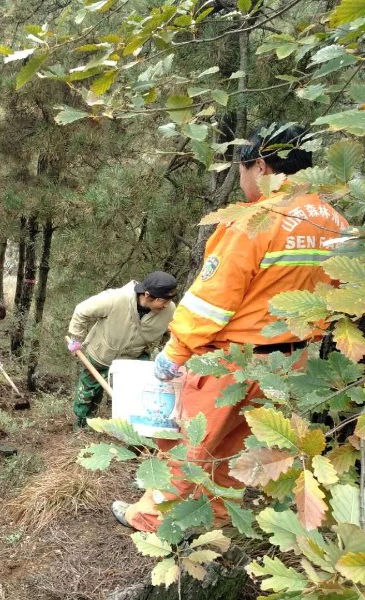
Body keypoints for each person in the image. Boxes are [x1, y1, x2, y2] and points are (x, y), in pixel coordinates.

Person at [114, 123, 350, 532]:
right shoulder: (336, 224)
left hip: (230, 364)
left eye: (240, 172)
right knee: (238, 449)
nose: (241, 182)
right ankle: (219, 516)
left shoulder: (254, 221)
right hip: (291, 366)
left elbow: (212, 300)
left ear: (259, 165)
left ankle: (151, 519)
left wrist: (176, 352)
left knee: (190, 444)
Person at [67, 272, 177, 429]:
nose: (166, 305)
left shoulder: (170, 311)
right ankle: (82, 424)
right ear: (147, 295)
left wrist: (169, 355)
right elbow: (82, 311)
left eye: (169, 300)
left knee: (137, 394)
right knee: (89, 392)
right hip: (102, 354)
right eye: (163, 301)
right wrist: (76, 339)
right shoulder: (116, 299)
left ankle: (134, 430)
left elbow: (174, 333)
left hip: (134, 358)